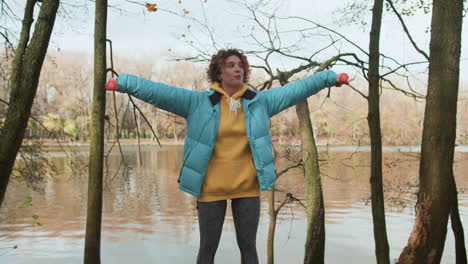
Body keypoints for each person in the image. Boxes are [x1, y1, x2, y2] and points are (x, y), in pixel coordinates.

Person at [105, 49, 349, 264]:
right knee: (207, 249)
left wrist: (329, 78)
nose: (237, 69)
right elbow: (158, 92)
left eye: (240, 65)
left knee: (249, 249)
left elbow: (297, 89)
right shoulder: (197, 102)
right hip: (211, 187)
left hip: (247, 187)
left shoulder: (259, 102)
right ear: (218, 73)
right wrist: (123, 82)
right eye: (230, 65)